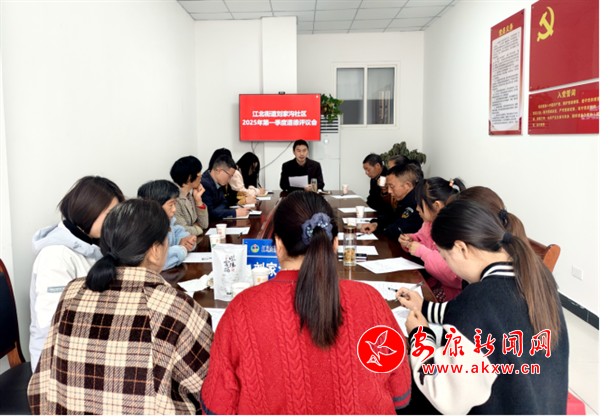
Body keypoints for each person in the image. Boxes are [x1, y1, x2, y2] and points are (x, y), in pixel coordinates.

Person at [200, 191, 411, 414]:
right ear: (335, 244)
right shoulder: (370, 300)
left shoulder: (242, 308)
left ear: (277, 244)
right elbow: (401, 393)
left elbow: (217, 406)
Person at [27, 199, 214, 415]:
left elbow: (42, 381)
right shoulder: (175, 306)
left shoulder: (72, 291)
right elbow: (209, 387)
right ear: (155, 250)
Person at [397, 200, 568, 414]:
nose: (449, 265)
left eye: (444, 257)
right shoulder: (538, 277)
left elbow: (443, 393)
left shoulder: (478, 299)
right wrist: (423, 307)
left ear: (461, 248)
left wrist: (420, 335)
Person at [29, 176, 124, 371]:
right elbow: (54, 324)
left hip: (87, 345)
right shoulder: (56, 256)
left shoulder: (91, 244)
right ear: (88, 211)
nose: (115, 222)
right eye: (110, 214)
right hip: (56, 362)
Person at [399, 177, 466, 302]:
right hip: (432, 283)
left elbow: (454, 275)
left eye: (420, 204)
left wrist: (422, 252)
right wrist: (411, 240)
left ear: (437, 206)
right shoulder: (429, 223)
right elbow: (422, 237)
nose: (417, 208)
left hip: (451, 297)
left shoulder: (455, 232)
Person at [138, 180, 197, 270]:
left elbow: (178, 232)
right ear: (156, 206)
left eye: (175, 204)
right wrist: (182, 249)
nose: (174, 209)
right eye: (171, 204)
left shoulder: (168, 222)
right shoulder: (144, 229)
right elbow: (156, 260)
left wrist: (187, 241)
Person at [362, 162, 423, 240]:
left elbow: (398, 231)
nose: (389, 191)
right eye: (388, 186)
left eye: (392, 186)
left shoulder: (417, 202)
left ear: (407, 185)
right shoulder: (406, 199)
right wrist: (376, 224)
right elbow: (394, 217)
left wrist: (384, 228)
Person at [201, 155, 251, 220]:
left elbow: (224, 202)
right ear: (219, 171)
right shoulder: (204, 184)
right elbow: (209, 214)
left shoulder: (217, 182)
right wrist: (235, 213)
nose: (229, 179)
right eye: (229, 176)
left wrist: (216, 211)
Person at [170, 155, 209, 236]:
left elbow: (204, 224)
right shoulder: (173, 197)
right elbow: (182, 230)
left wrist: (198, 200)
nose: (201, 175)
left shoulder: (188, 195)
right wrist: (198, 228)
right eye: (199, 172)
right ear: (189, 177)